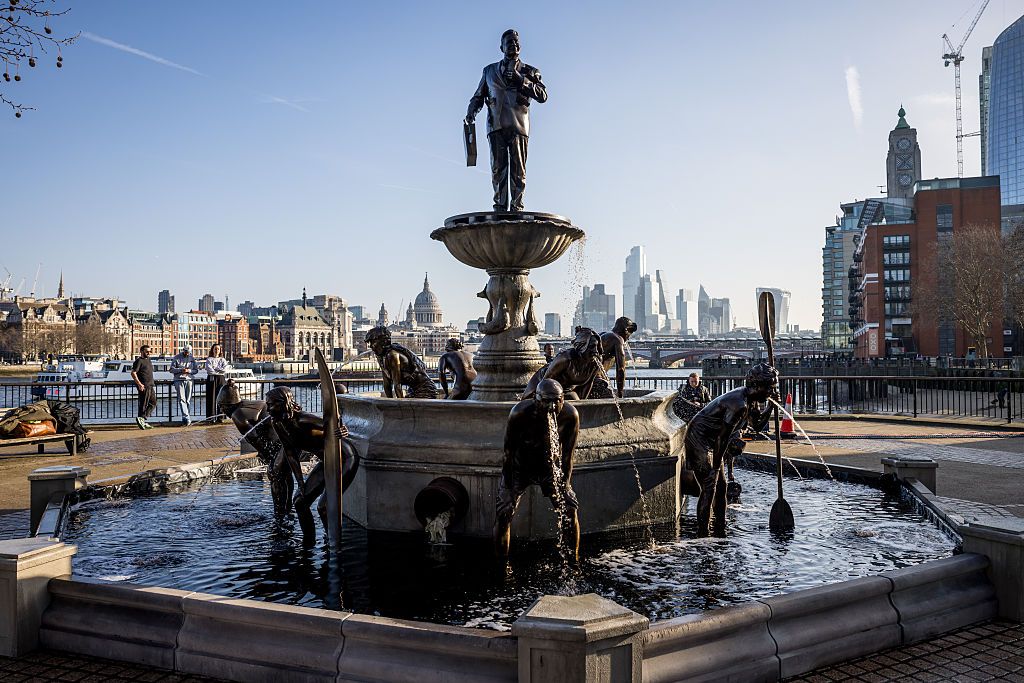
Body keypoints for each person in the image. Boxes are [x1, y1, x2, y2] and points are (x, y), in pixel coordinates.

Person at [682, 363, 777, 537]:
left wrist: (771, 407)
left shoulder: (751, 400)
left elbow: (756, 426)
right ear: (757, 386)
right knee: (709, 486)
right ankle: (702, 534)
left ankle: (720, 527)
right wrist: (716, 468)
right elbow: (722, 438)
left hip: (713, 440)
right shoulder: (738, 404)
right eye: (770, 387)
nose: (772, 391)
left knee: (722, 487)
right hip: (699, 439)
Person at [495, 379, 580, 564]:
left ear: (563, 399)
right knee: (504, 513)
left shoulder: (570, 415)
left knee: (570, 509)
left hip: (550, 467)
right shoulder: (519, 413)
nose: (552, 406)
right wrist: (508, 487)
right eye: (546, 401)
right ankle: (500, 564)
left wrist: (564, 485)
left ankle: (573, 561)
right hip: (520, 467)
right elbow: (508, 453)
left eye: (557, 400)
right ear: (536, 399)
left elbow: (568, 456)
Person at [465, 29, 547, 212]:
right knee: (497, 169)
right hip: (496, 125)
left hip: (519, 125)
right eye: (509, 42)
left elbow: (543, 95)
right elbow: (478, 96)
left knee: (518, 171)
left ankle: (517, 206)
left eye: (517, 42)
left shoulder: (530, 71)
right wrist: (471, 111)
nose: (514, 45)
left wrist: (522, 81)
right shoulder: (489, 71)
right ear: (501, 47)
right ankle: (500, 206)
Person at [265, 386, 360, 544]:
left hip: (344, 458)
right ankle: (308, 543)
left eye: (270, 404)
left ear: (283, 403)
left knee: (323, 507)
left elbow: (334, 423)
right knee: (300, 502)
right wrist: (300, 482)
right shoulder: (277, 423)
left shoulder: (303, 420)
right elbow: (290, 453)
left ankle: (333, 544)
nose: (267, 408)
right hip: (326, 461)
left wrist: (342, 430)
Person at [523, 327, 602, 400]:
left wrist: (582, 404)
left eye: (597, 347)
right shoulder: (565, 359)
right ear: (581, 346)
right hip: (541, 383)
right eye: (592, 346)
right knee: (527, 406)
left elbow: (588, 384)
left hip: (567, 390)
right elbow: (545, 382)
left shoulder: (595, 362)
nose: (596, 351)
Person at [365, 326, 439, 399]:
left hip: (426, 389)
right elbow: (387, 384)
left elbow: (397, 384)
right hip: (413, 389)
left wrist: (400, 405)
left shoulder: (392, 355)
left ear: (383, 341)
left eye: (373, 342)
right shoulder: (381, 357)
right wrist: (389, 403)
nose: (371, 346)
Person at [591, 317, 638, 399]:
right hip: (595, 379)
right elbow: (621, 369)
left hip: (587, 376)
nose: (629, 337)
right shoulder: (617, 339)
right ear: (625, 330)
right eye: (630, 333)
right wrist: (620, 393)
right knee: (611, 402)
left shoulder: (604, 334)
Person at [170, 344, 200, 426]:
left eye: (189, 352)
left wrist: (189, 371)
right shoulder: (176, 357)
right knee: (182, 399)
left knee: (188, 400)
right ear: (183, 350)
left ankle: (185, 418)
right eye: (186, 351)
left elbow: (196, 370)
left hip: (189, 380)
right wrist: (180, 370)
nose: (187, 353)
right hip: (179, 380)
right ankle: (187, 417)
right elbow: (171, 369)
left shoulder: (192, 358)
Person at [130, 344, 156, 429]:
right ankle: (141, 419)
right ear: (142, 351)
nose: (149, 353)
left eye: (150, 351)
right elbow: (133, 373)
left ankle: (142, 419)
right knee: (143, 404)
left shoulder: (149, 360)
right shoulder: (139, 361)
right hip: (144, 386)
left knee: (153, 403)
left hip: (150, 385)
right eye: (147, 351)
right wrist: (139, 384)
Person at [204, 343, 229, 422]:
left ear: (220, 350)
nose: (216, 350)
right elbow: (209, 370)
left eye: (218, 349)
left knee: (221, 398)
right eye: (215, 349)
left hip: (221, 379)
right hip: (211, 379)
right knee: (211, 398)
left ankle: (220, 417)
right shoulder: (209, 359)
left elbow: (225, 370)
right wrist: (218, 370)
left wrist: (215, 369)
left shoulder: (222, 359)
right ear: (212, 350)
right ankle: (211, 417)